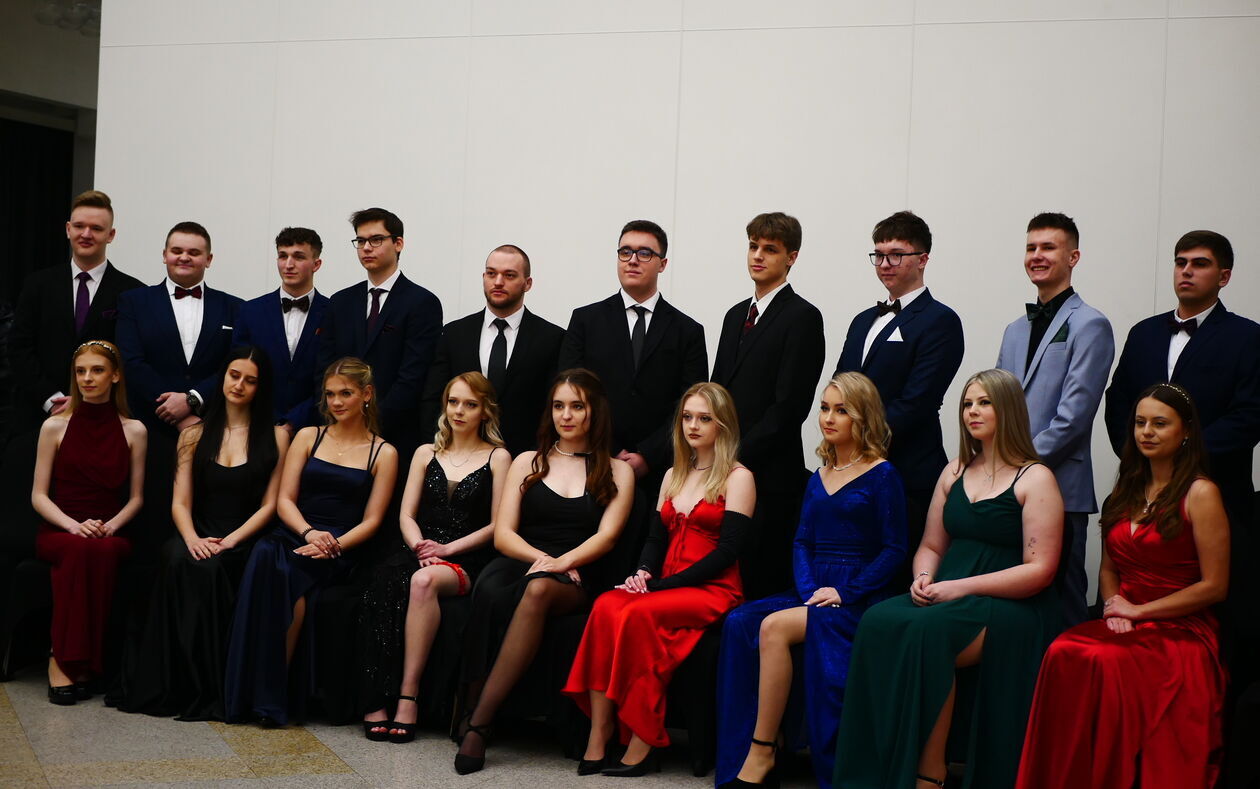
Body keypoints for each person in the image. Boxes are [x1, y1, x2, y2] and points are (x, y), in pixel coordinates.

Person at [833, 369, 1063, 789]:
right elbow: (931, 545)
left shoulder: (1035, 478)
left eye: (984, 403)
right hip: (947, 590)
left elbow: (1039, 570)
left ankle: (929, 773)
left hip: (1011, 605)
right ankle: (871, 772)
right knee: (877, 621)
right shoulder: (954, 471)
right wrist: (923, 577)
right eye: (967, 404)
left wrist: (961, 587)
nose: (972, 411)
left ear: (1009, 409)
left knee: (929, 634)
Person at [1016, 383, 1229, 789]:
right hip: (1125, 616)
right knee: (1063, 650)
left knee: (1102, 658)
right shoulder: (1124, 492)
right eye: (1140, 422)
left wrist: (1138, 611)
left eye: (1160, 424)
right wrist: (1115, 605)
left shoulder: (1201, 493)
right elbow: (1109, 569)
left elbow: (1215, 586)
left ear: (1185, 431)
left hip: (1183, 628)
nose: (1146, 432)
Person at [716, 372, 906, 789]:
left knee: (772, 626)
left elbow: (894, 550)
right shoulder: (819, 475)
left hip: (860, 596)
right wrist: (807, 591)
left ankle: (762, 750)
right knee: (740, 621)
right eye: (824, 408)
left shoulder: (883, 474)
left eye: (841, 410)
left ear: (863, 417)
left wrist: (845, 592)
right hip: (813, 588)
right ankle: (762, 744)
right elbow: (802, 541)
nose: (828, 418)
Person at [564, 381, 756, 776]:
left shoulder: (738, 477)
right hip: (666, 583)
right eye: (687, 417)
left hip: (713, 589)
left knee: (637, 613)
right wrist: (643, 573)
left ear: (722, 424)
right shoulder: (672, 474)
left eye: (704, 418)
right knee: (605, 606)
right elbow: (655, 539)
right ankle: (600, 732)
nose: (693, 426)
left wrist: (659, 587)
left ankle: (643, 739)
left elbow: (727, 553)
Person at [454, 368, 635, 775]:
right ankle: (475, 710)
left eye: (577, 406)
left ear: (595, 411)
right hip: (519, 560)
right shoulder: (528, 461)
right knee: (497, 589)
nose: (565, 416)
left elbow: (607, 537)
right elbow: (504, 535)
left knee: (538, 590)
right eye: (558, 406)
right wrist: (544, 560)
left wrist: (563, 563)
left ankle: (479, 723)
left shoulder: (617, 470)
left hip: (578, 572)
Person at [110, 347, 288, 720]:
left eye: (250, 380)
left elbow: (270, 505)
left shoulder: (277, 436)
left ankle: (212, 688)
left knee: (213, 568)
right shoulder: (193, 434)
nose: (239, 385)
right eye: (234, 375)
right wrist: (192, 539)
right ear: (223, 378)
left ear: (261, 387)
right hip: (199, 531)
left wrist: (232, 541)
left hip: (246, 538)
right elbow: (180, 503)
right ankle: (177, 685)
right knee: (176, 556)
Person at [224, 357, 398, 726]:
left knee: (286, 571)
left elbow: (373, 521)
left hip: (339, 549)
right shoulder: (307, 436)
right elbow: (284, 500)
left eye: (345, 394)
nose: (336, 402)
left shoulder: (383, 452)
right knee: (268, 555)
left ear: (367, 394)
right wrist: (308, 533)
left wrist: (333, 544)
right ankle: (267, 696)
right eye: (330, 394)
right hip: (295, 533)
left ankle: (269, 697)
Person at [359, 372, 511, 742]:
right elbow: (406, 515)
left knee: (423, 580)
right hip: (419, 548)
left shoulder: (498, 457)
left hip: (466, 556)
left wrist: (446, 550)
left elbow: (498, 525)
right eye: (453, 402)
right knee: (384, 578)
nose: (459, 411)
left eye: (470, 404)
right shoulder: (425, 452)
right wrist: (420, 548)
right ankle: (375, 697)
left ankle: (408, 696)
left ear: (485, 411)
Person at [996, 212, 1113, 628]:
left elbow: (1073, 418)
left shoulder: (1091, 324)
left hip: (1060, 486)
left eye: (1048, 247)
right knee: (1011, 605)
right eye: (1031, 247)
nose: (1037, 255)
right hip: (1007, 488)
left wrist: (1015, 466)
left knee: (1062, 602)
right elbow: (997, 407)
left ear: (1073, 257)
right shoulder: (1014, 329)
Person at [835, 210, 963, 581]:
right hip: (852, 469)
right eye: (878, 255)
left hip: (906, 472)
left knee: (897, 578)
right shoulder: (863, 320)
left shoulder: (940, 320)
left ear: (922, 259)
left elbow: (918, 401)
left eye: (896, 255)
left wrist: (860, 443)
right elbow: (841, 386)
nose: (885, 264)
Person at [711, 212, 825, 600]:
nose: (758, 256)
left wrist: (736, 456)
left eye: (770, 249)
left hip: (771, 474)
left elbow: (790, 406)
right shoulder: (734, 316)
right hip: (723, 468)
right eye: (753, 246)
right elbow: (717, 393)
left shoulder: (803, 317)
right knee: (720, 576)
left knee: (758, 580)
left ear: (791, 257)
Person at [30, 340, 146, 704]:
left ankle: (82, 660)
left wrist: (111, 526)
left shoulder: (134, 430)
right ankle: (63, 658)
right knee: (80, 550)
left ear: (115, 376)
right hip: (59, 529)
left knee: (101, 550)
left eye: (97, 370)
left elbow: (137, 498)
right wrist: (72, 526)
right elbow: (38, 496)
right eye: (80, 371)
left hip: (109, 529)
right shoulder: (54, 426)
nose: (87, 378)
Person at [558, 220, 707, 492]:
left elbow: (690, 402)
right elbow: (570, 391)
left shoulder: (688, 331)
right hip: (591, 460)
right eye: (625, 252)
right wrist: (610, 449)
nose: (633, 260)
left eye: (644, 253)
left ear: (662, 264)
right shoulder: (585, 321)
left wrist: (648, 455)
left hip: (661, 470)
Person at [8, 189, 143, 432]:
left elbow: (130, 358)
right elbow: (19, 348)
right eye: (79, 226)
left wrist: (93, 401)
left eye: (96, 228)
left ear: (111, 235)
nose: (86, 234)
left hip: (107, 419)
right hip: (38, 416)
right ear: (68, 229)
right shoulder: (37, 284)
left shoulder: (132, 292)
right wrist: (52, 400)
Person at [318, 207, 442, 458]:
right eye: (360, 241)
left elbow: (413, 375)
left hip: (394, 434)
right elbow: (324, 365)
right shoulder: (340, 302)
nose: (366, 248)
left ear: (398, 243)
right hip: (338, 429)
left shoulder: (422, 302)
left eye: (376, 240)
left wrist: (370, 423)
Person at [420, 245, 564, 454]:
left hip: (525, 457)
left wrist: (537, 456)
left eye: (509, 275)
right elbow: (433, 398)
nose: (498, 282)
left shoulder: (552, 338)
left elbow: (552, 406)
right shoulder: (455, 334)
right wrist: (440, 449)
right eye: (491, 273)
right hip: (458, 456)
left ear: (527, 283)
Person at [116, 221, 242, 435]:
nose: (184, 257)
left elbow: (234, 366)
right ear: (165, 255)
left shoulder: (235, 307)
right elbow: (131, 362)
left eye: (194, 252)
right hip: (148, 426)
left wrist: (193, 399)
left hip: (211, 425)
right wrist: (172, 410)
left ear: (208, 259)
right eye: (177, 251)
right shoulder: (134, 302)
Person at [232, 227, 331, 433]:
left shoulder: (333, 312)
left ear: (317, 264)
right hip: (257, 425)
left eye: (299, 257)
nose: (288, 264)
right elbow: (240, 371)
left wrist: (294, 422)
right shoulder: (250, 311)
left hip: (315, 427)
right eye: (283, 256)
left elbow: (332, 377)